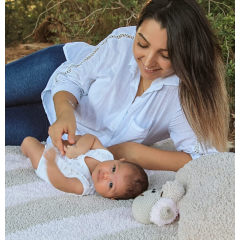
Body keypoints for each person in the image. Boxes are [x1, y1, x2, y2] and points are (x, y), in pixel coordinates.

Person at [6, 0, 230, 171]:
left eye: (166, 55)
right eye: (142, 43)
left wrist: (129, 152)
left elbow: (204, 159)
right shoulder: (121, 42)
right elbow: (71, 78)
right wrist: (65, 113)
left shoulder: (185, 96)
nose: (149, 62)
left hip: (57, 135)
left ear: (187, 55)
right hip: (58, 77)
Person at [21, 133, 149, 200]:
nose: (106, 175)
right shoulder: (105, 156)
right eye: (113, 169)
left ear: (111, 197)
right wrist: (79, 149)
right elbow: (91, 138)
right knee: (76, 138)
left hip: (50, 165)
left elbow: (62, 183)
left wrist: (51, 165)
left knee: (29, 142)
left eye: (110, 185)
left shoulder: (85, 185)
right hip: (66, 152)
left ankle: (26, 150)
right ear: (119, 160)